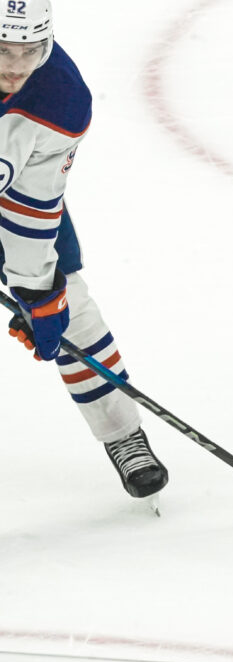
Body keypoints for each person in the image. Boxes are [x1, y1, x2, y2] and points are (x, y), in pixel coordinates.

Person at [1, 0, 167, 500]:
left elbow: (30, 208)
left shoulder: (61, 98)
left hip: (15, 191)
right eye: (4, 50)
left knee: (69, 305)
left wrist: (38, 294)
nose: (15, 67)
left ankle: (123, 434)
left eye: (29, 51)